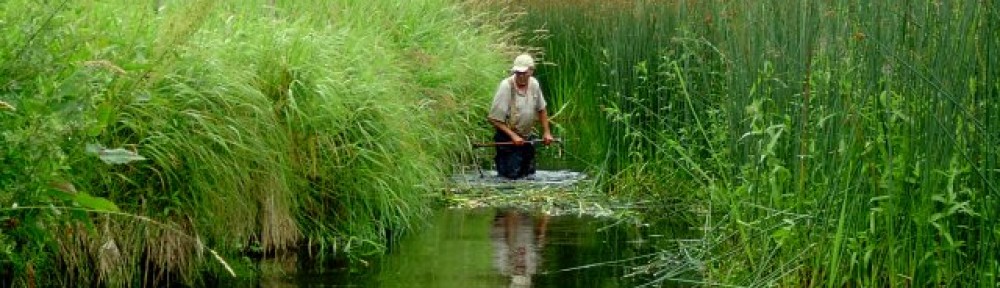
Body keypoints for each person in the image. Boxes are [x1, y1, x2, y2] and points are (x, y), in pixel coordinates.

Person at [488, 54, 555, 180]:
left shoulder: (534, 84)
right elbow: (493, 119)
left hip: (526, 137)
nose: (521, 76)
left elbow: (542, 109)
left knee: (529, 175)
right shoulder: (506, 86)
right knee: (510, 178)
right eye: (518, 73)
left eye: (524, 73)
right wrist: (513, 136)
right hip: (507, 139)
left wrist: (547, 132)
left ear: (531, 71)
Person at [490, 208, 549, 287]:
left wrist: (512, 212)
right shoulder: (533, 267)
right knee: (537, 243)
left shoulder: (503, 266)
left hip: (505, 222)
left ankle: (513, 211)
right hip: (519, 226)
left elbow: (504, 234)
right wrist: (546, 214)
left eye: (517, 272)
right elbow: (539, 239)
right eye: (522, 271)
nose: (520, 270)